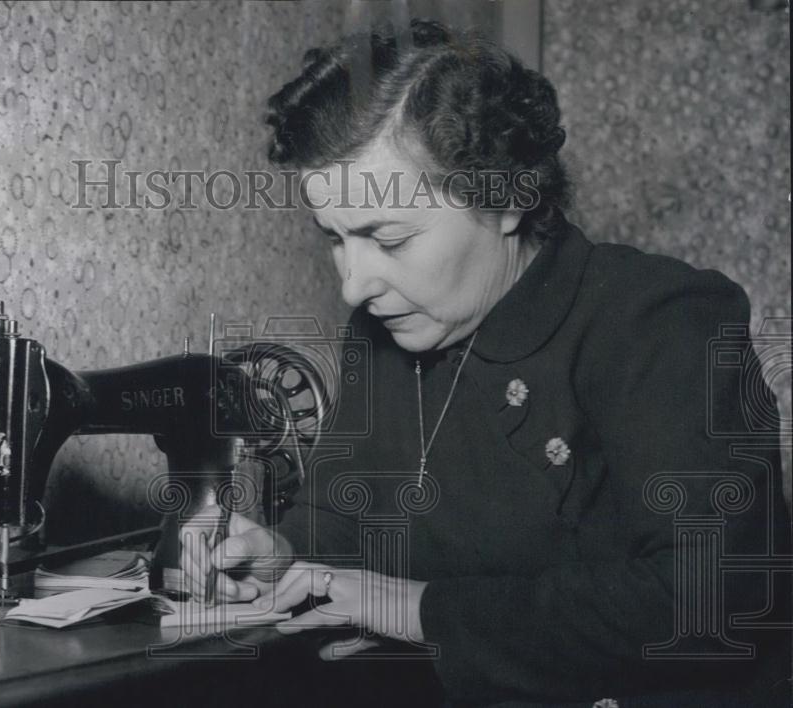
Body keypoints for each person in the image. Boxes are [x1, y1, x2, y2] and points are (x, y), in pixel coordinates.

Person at [181, 20, 790, 707]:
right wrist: (281, 558)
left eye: (389, 239)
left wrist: (417, 610)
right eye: (335, 240)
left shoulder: (660, 320)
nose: (354, 284)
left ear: (504, 198)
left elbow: (714, 602)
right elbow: (341, 521)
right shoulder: (380, 334)